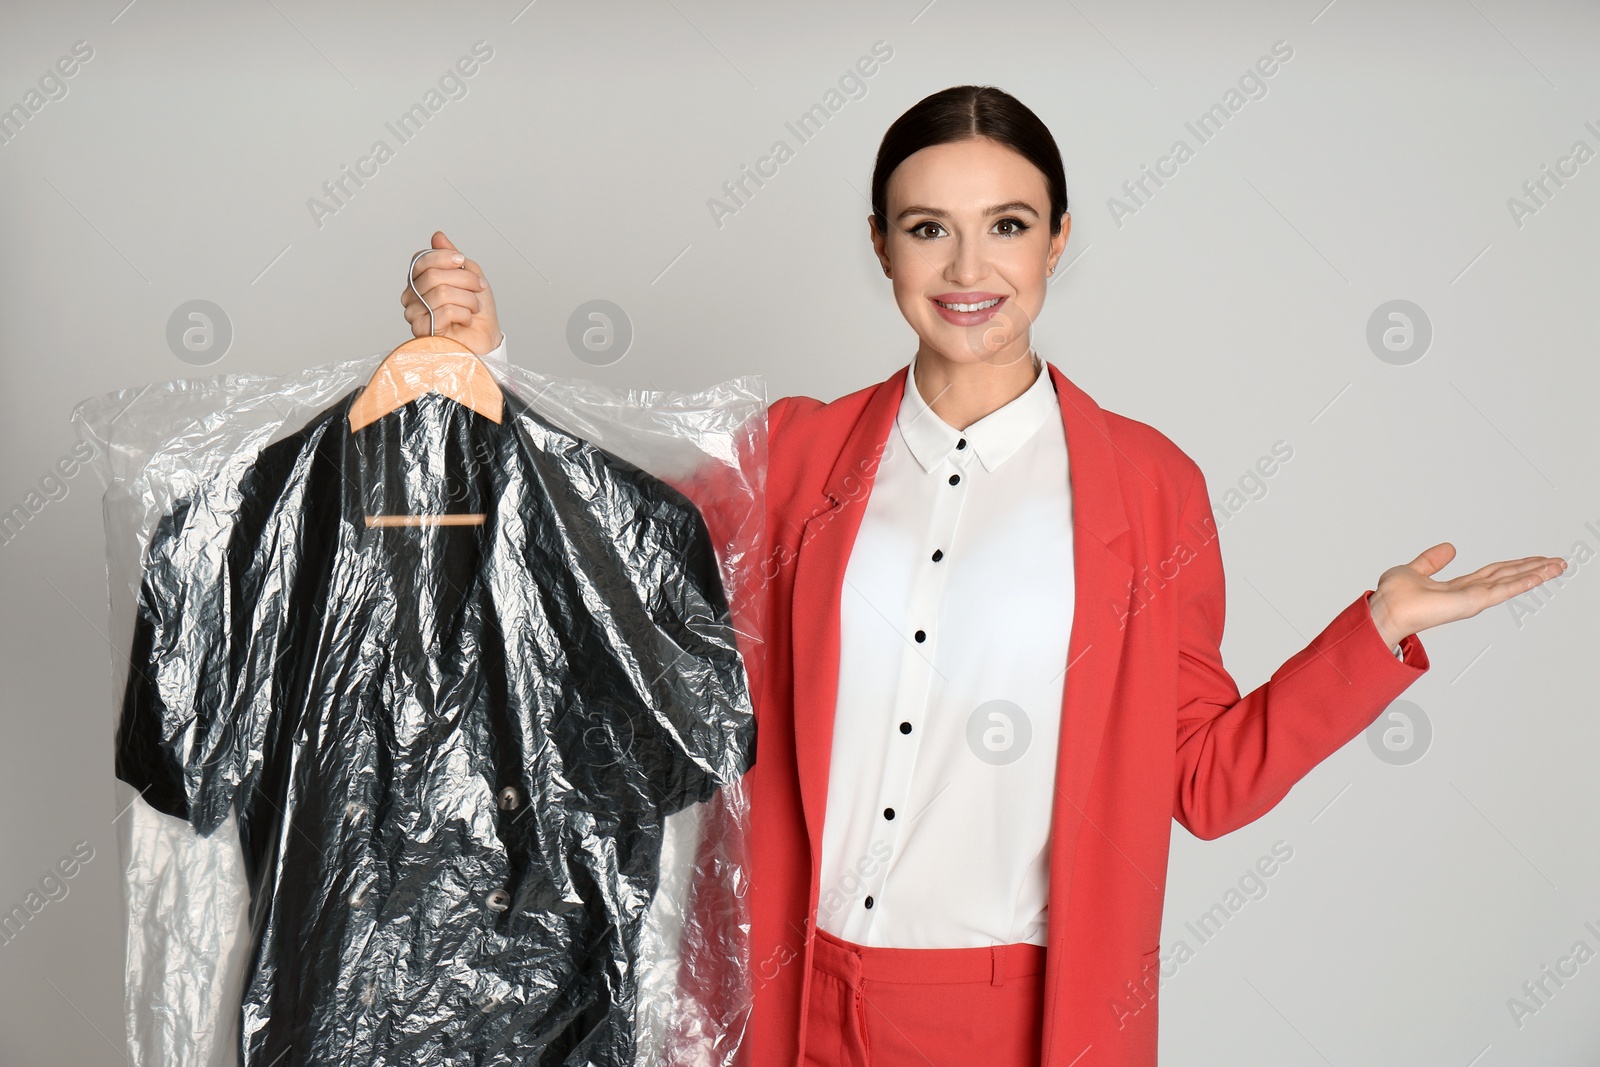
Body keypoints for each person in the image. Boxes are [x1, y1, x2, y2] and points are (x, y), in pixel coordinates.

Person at [398, 85, 1566, 1067]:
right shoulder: (788, 459)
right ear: (879, 242)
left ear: (1058, 238)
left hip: (1013, 1015)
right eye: (926, 228)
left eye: (1007, 225)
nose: (968, 266)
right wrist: (481, 370)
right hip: (785, 995)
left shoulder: (1149, 487)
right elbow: (588, 571)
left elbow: (1205, 779)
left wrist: (1373, 631)